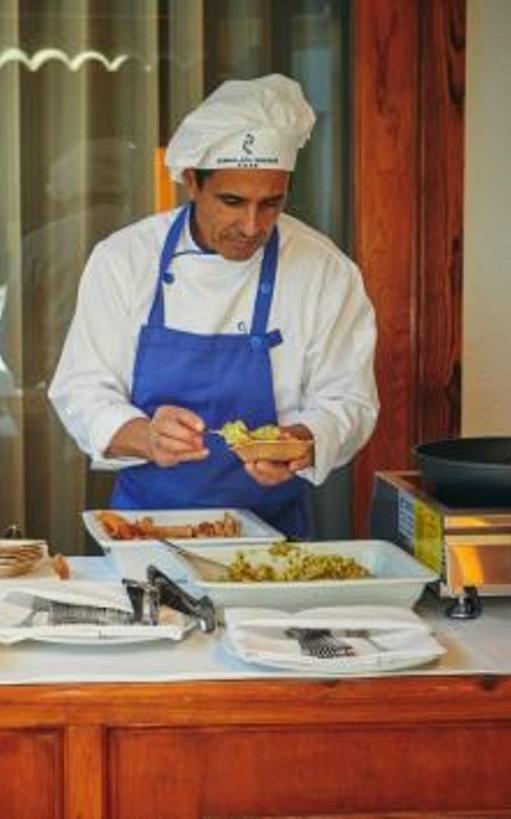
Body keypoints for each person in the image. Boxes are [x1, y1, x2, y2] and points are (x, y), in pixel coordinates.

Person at [48, 74, 378, 538]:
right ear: (191, 182)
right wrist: (145, 436)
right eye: (232, 201)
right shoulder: (124, 259)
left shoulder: (324, 270)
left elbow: (349, 399)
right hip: (144, 531)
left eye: (271, 203)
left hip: (274, 537)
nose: (251, 226)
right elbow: (81, 389)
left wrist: (304, 440)